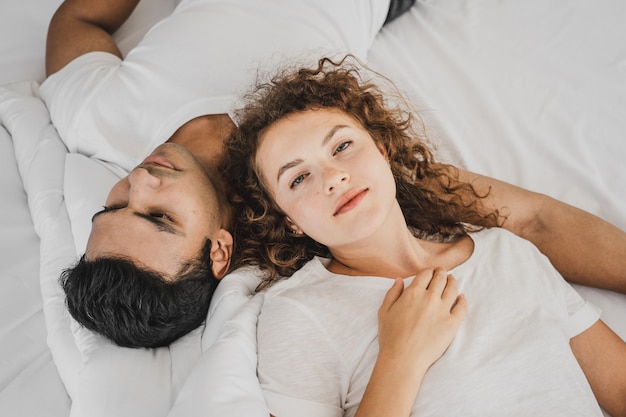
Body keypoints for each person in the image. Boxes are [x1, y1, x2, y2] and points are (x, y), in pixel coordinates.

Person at [44, 0, 626, 349]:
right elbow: (533, 220)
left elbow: (80, 16)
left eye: (112, 206)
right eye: (159, 216)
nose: (141, 182)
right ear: (220, 251)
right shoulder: (312, 174)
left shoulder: (94, 120)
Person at [222, 56, 626, 417]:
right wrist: (400, 360)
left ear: (382, 150)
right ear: (289, 220)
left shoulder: (510, 253)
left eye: (342, 146)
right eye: (298, 178)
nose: (333, 178)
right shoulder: (298, 314)